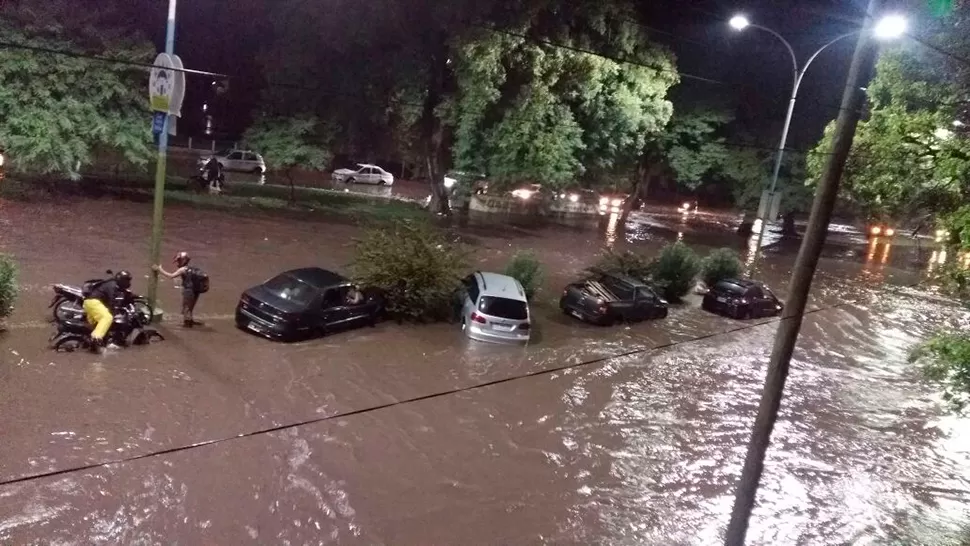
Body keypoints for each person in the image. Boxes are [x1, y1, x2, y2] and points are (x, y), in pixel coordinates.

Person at [82, 270, 133, 353]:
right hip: (94, 302)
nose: (128, 283)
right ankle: (96, 338)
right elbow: (111, 301)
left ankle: (88, 340)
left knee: (95, 324)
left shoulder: (112, 284)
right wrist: (114, 312)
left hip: (89, 303)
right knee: (107, 318)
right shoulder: (112, 286)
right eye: (127, 280)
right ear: (122, 280)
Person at [153, 251, 203, 328]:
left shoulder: (182, 269)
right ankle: (191, 321)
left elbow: (171, 276)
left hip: (188, 291)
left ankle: (187, 325)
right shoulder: (191, 268)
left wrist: (160, 269)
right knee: (190, 307)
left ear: (183, 260)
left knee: (186, 308)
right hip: (196, 290)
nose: (177, 263)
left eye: (179, 261)